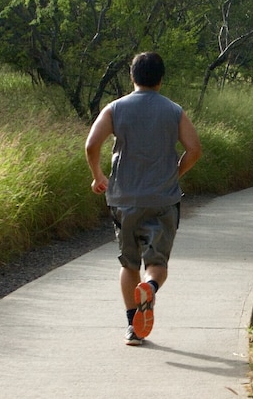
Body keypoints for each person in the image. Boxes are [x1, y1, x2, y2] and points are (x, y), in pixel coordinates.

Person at [85, 52, 202, 346]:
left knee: (128, 264)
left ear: (132, 77)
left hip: (123, 199)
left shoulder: (115, 108)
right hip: (163, 198)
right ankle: (149, 286)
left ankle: (132, 328)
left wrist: (99, 176)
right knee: (156, 263)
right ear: (161, 79)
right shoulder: (174, 111)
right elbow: (195, 149)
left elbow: (91, 145)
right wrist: (176, 172)